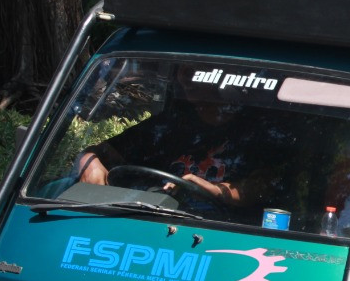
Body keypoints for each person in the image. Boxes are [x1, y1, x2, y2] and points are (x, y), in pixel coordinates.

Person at [75, 71, 256, 210]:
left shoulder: (254, 133)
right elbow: (107, 151)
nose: (186, 76)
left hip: (217, 231)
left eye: (196, 70)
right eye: (184, 70)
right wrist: (89, 160)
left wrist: (215, 191)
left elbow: (262, 187)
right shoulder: (167, 125)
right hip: (148, 221)